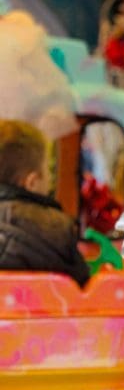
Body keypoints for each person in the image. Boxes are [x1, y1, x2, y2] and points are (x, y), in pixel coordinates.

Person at [0, 120, 90, 286]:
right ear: (31, 182)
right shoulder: (58, 229)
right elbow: (83, 289)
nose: (50, 179)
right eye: (48, 170)